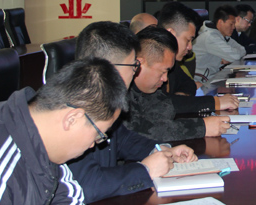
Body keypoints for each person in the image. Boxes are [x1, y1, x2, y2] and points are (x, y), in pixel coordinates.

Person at [68, 21, 197, 203]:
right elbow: (86, 185)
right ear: (108, 68)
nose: (136, 72)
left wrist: (163, 150)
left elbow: (123, 139)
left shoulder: (105, 100)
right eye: (133, 65)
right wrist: (145, 170)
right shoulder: (73, 111)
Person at [0, 58, 127, 205]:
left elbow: (71, 198)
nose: (93, 145)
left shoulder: (48, 145)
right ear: (72, 119)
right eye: (98, 134)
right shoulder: (1, 166)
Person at [122, 26, 231, 141]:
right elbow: (138, 131)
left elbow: (165, 107)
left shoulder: (148, 90)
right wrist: (202, 127)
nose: (165, 79)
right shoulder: (119, 92)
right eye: (163, 72)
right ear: (139, 64)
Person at [157, 2, 239, 112]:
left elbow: (190, 85)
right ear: (171, 34)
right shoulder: (151, 61)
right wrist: (215, 103)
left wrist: (181, 98)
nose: (190, 47)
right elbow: (161, 105)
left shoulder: (172, 62)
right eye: (188, 40)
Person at [194, 5, 246, 76]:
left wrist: (229, 57)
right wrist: (231, 57)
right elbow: (235, 56)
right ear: (220, 22)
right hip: (201, 79)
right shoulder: (210, 37)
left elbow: (242, 50)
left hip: (212, 76)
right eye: (231, 24)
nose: (233, 27)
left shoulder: (223, 36)